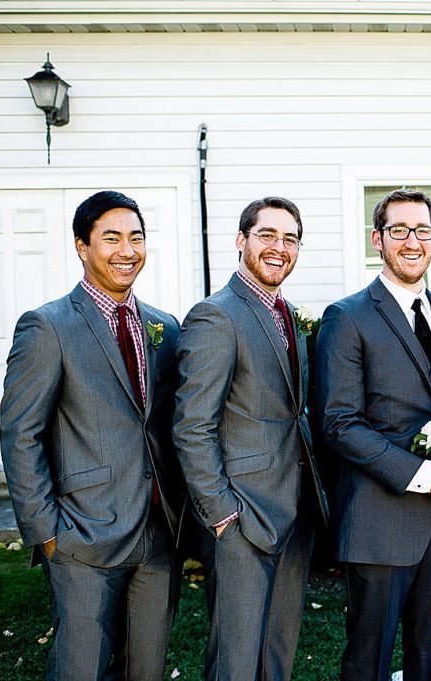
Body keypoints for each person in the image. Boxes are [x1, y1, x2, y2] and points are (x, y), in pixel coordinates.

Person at [0, 190, 184, 681]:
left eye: (136, 238)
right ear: (82, 246)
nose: (128, 250)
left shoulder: (165, 326)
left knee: (146, 668)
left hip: (157, 535)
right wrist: (47, 533)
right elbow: (21, 434)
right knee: (80, 668)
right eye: (112, 238)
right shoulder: (48, 327)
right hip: (82, 536)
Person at [317, 188, 431, 681]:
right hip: (379, 522)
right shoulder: (347, 317)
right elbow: (339, 422)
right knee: (369, 661)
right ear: (378, 239)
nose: (412, 241)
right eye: (399, 230)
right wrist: (429, 477)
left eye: (422, 231)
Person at [172, 196, 327, 681]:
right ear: (241, 240)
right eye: (267, 235)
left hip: (294, 508)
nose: (279, 247)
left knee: (277, 652)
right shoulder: (216, 316)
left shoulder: (291, 315)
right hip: (241, 514)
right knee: (236, 659)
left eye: (290, 239)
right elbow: (192, 425)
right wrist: (221, 513)